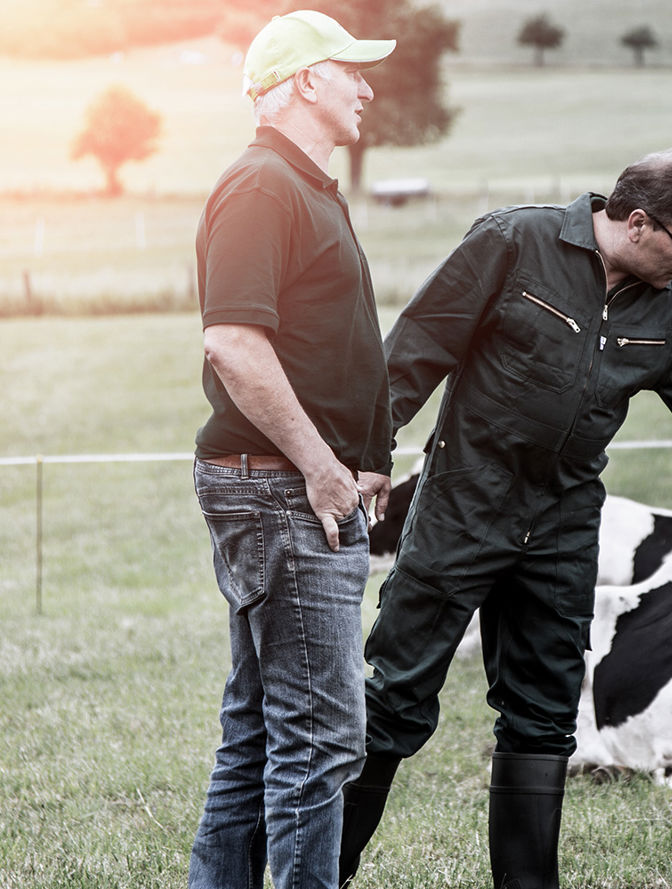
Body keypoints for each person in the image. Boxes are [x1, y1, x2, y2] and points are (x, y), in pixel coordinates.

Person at [339, 149, 672, 888]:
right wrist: (369, 451)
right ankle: (320, 873)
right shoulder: (514, 243)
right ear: (638, 221)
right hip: (463, 504)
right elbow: (416, 347)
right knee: (396, 697)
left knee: (543, 716)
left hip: (561, 525)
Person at [188, 11, 396, 889]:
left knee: (263, 724)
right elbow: (234, 343)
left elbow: (327, 339)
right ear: (307, 80)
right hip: (283, 492)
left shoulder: (306, 186)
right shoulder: (263, 186)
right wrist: (322, 463)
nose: (367, 87)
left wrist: (367, 449)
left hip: (293, 485)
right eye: (351, 70)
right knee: (318, 734)